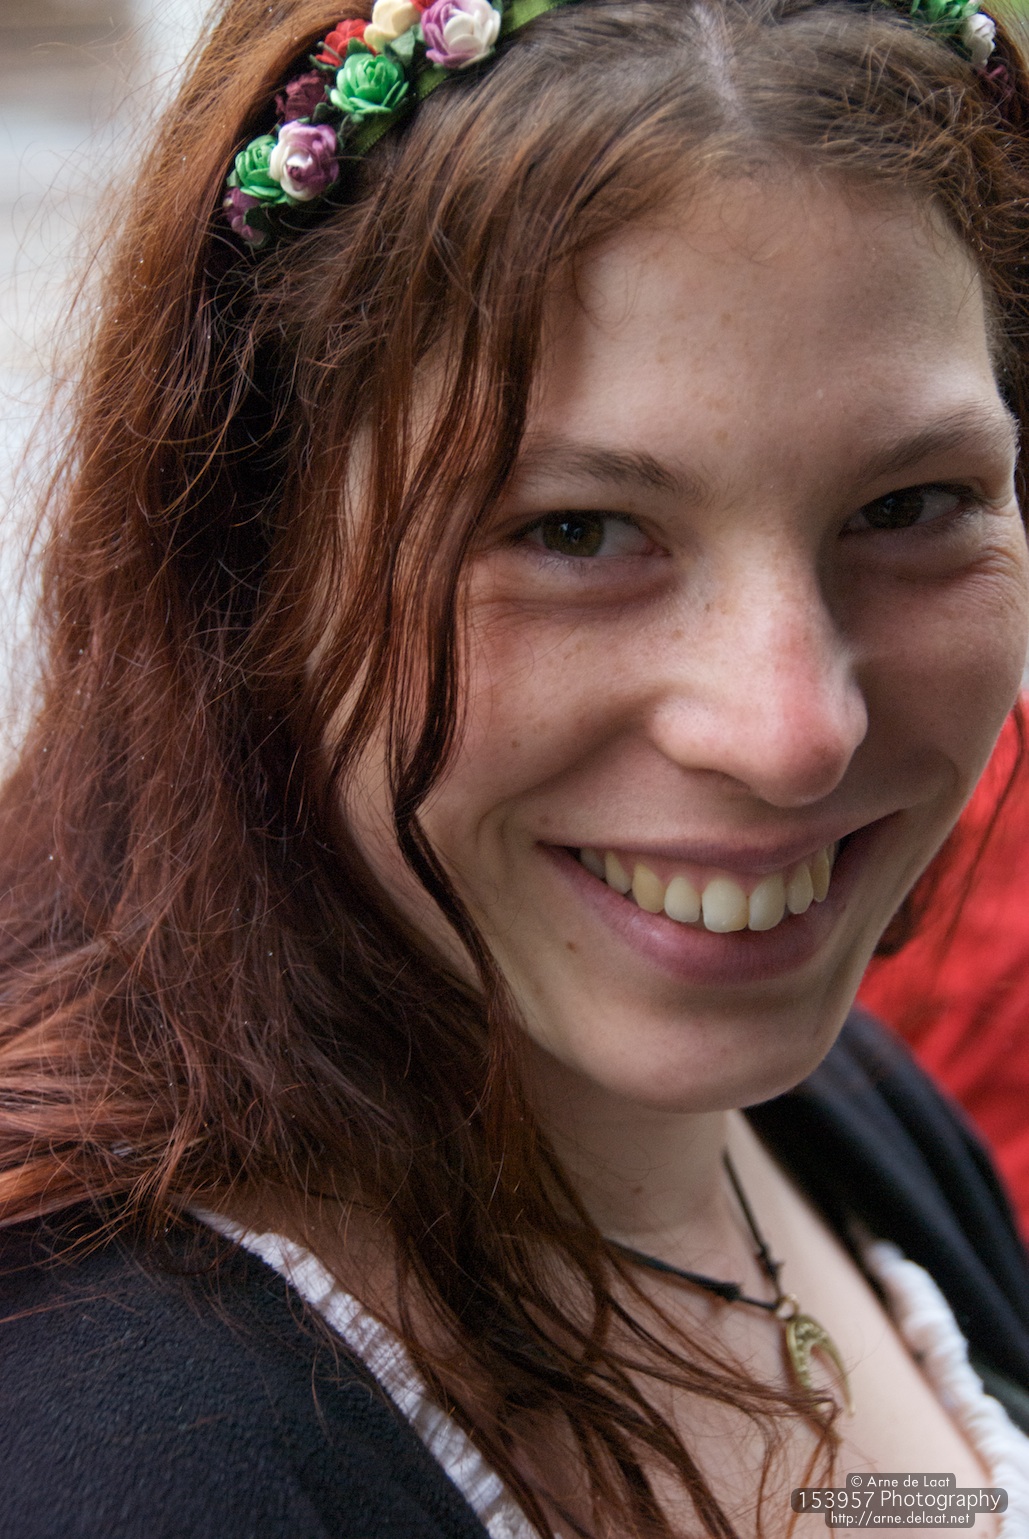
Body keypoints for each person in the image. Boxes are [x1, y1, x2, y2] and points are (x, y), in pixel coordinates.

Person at [0, 0, 1028, 1534]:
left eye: (906, 506)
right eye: (575, 532)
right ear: (244, 560)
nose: (790, 732)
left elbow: (886, 1509)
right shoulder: (122, 1462)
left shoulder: (838, 1128)